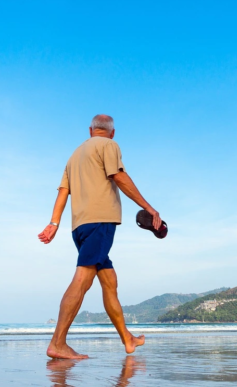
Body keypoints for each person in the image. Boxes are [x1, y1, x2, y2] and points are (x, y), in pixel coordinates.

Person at [38, 114, 162, 359]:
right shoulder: (109, 146)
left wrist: (54, 223)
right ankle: (57, 343)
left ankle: (127, 338)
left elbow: (63, 192)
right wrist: (150, 208)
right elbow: (119, 176)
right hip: (100, 222)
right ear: (112, 132)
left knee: (109, 281)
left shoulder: (74, 156)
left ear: (90, 130)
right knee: (83, 279)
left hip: (79, 227)